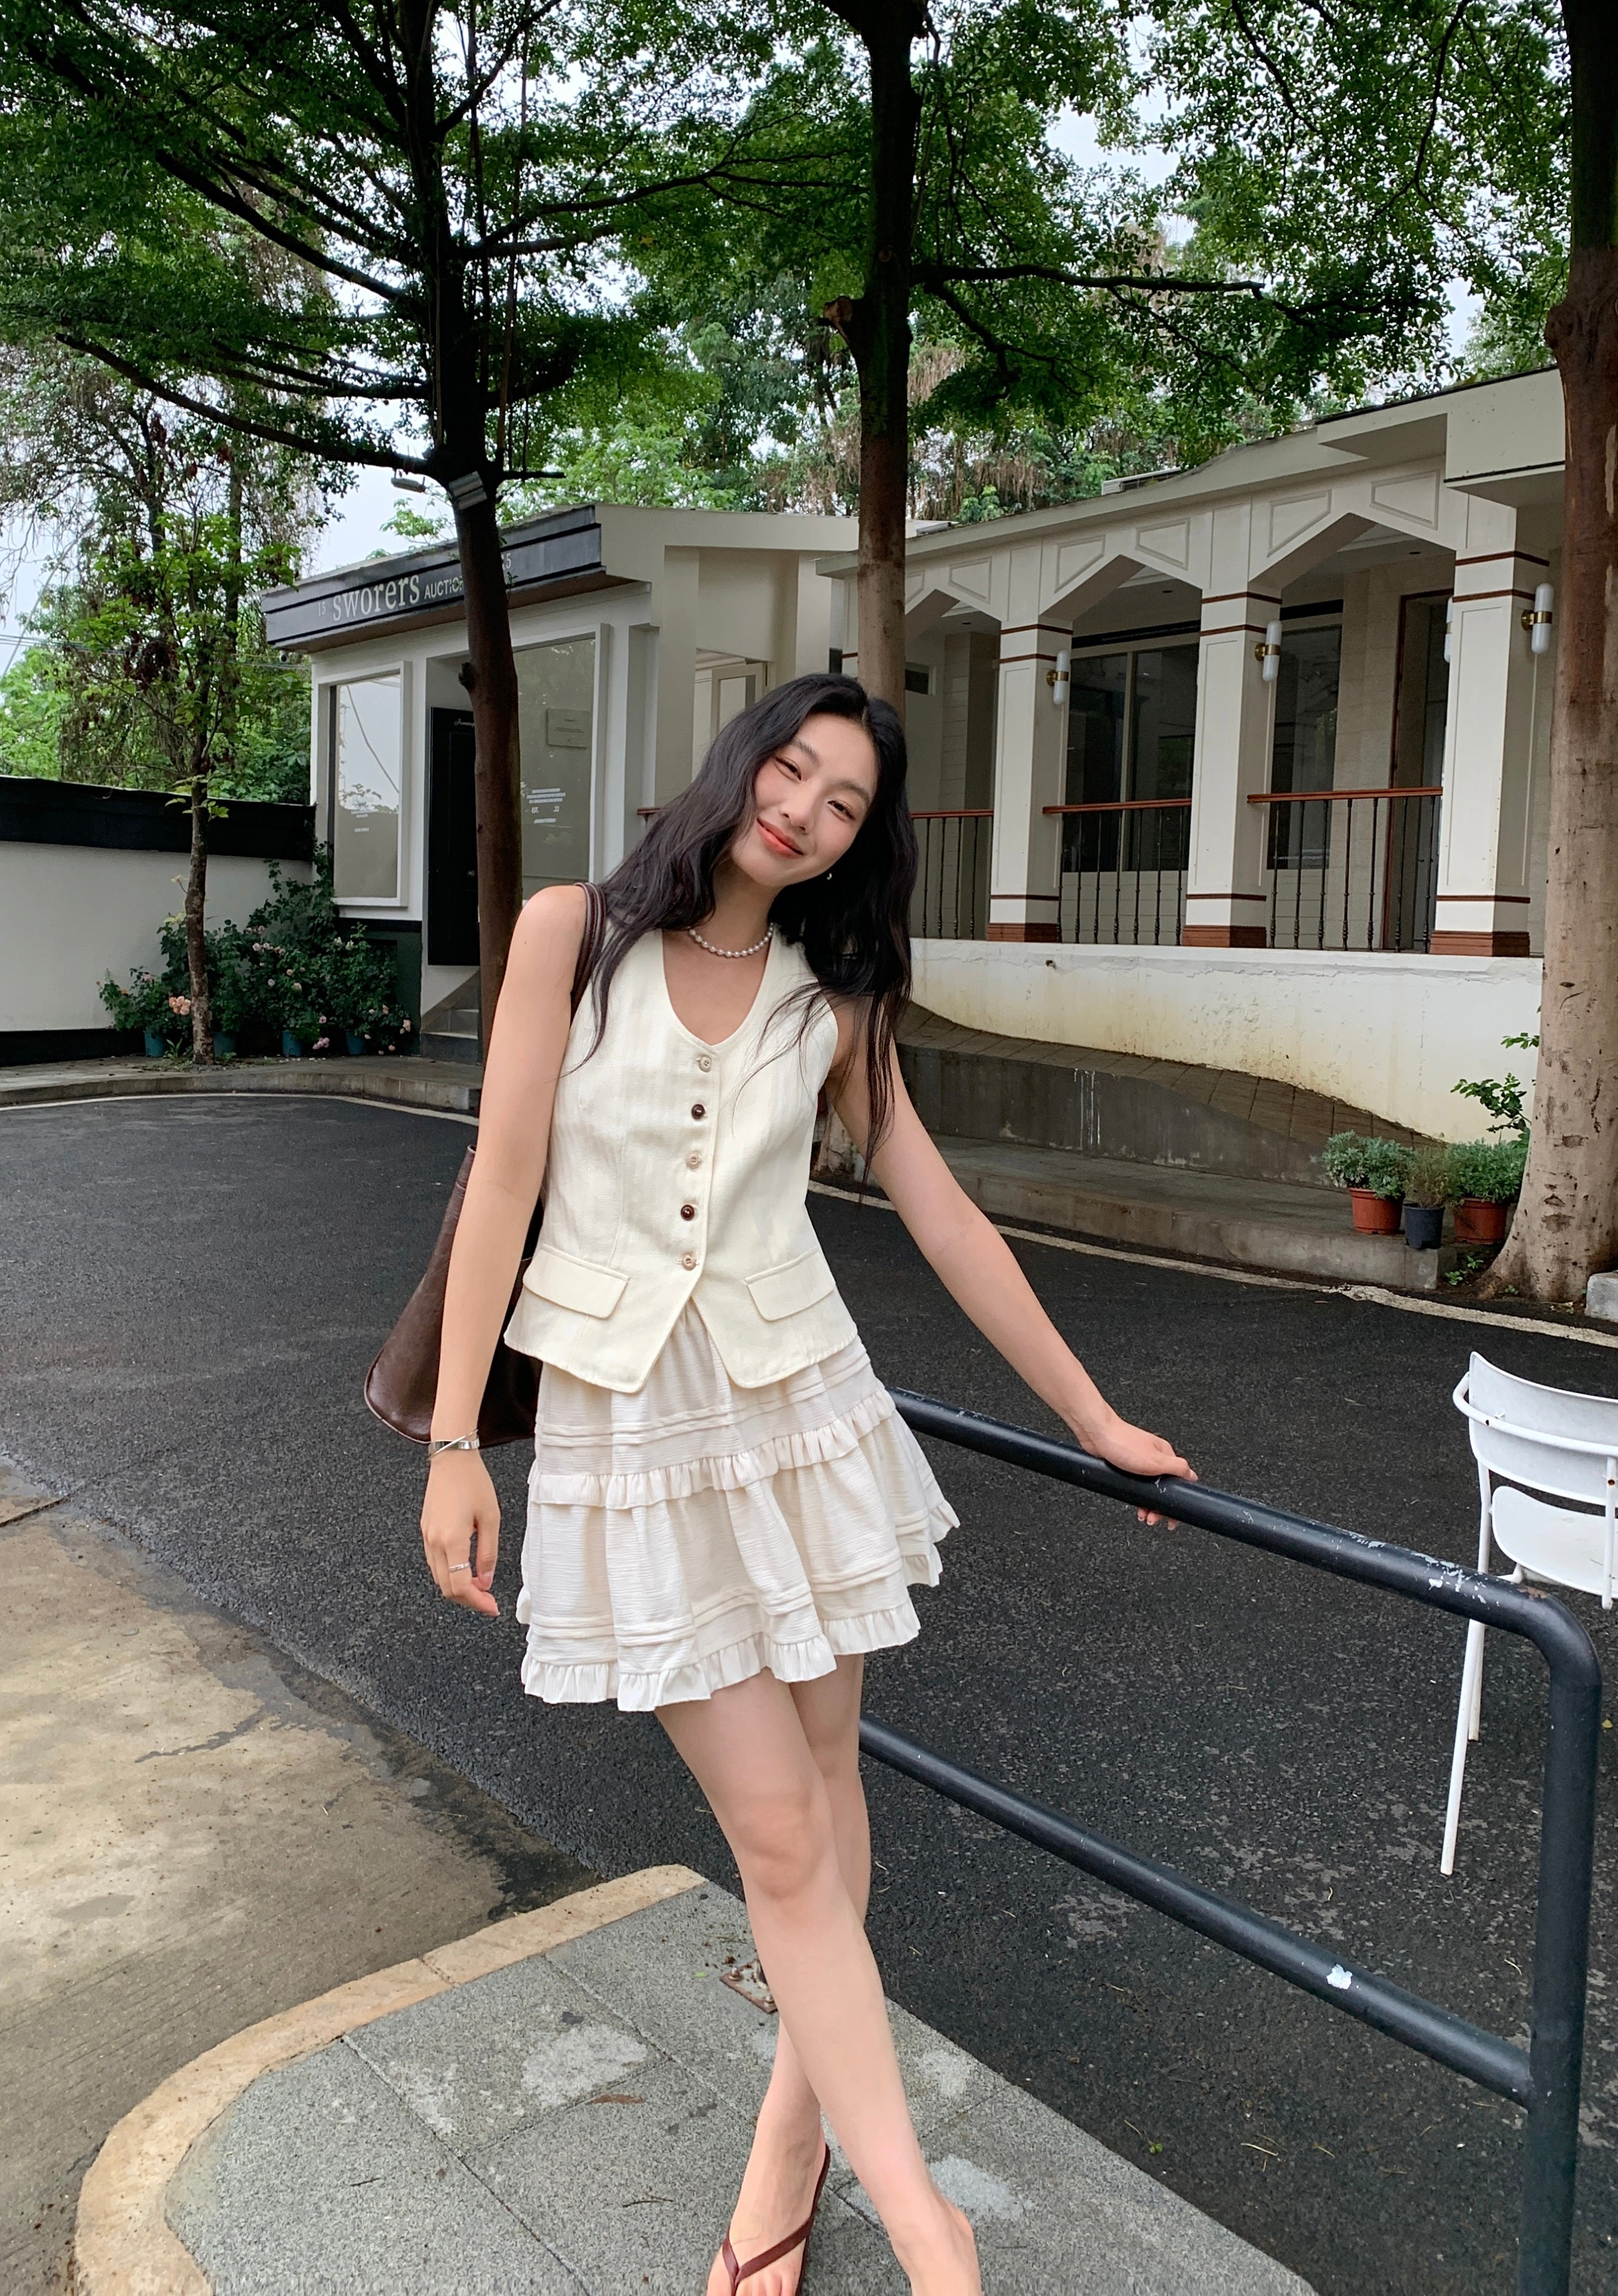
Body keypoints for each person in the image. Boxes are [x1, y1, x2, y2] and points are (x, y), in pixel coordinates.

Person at [421, 672, 1194, 2296]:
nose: (805, 812)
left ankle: (794, 2144)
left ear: (859, 845)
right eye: (792, 771)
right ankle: (931, 2229)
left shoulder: (830, 1000)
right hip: (631, 1434)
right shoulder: (574, 934)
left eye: (845, 805)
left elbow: (944, 1214)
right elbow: (499, 1184)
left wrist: (1095, 1414)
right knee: (778, 1831)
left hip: (798, 1418)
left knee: (828, 1800)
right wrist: (451, 1448)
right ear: (739, 762)